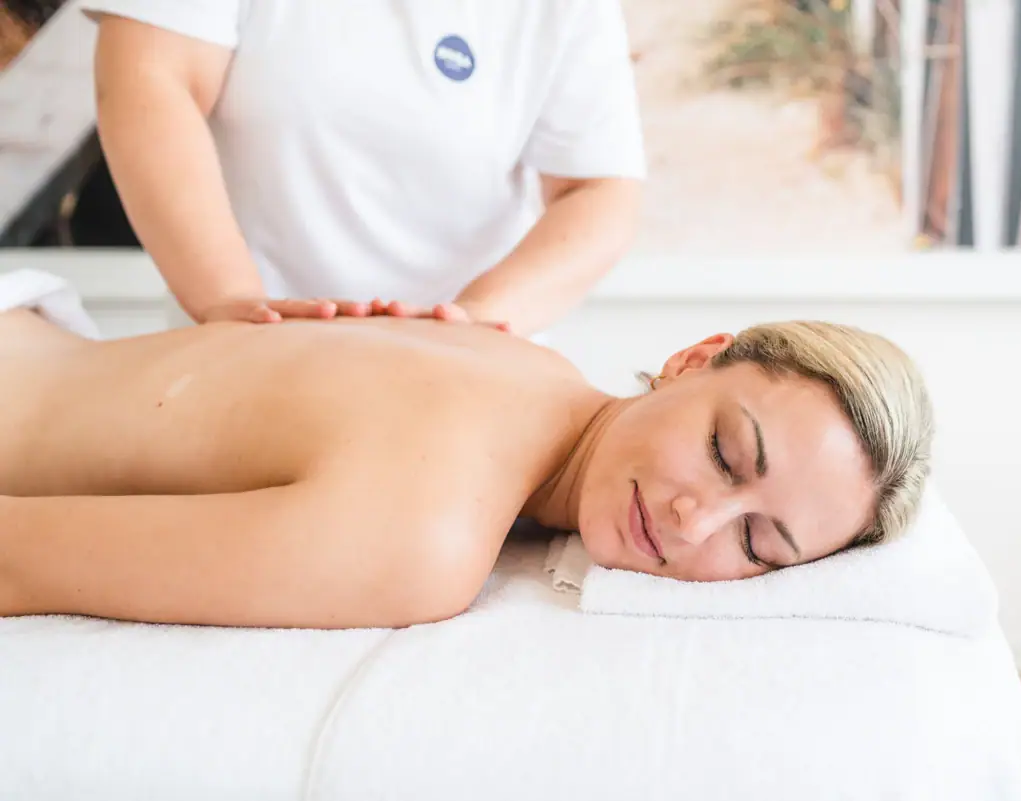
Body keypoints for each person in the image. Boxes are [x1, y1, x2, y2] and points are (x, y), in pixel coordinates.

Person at [0, 301, 934, 630]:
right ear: (694, 357)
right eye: (727, 454)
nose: (695, 520)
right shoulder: (428, 540)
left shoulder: (514, 353)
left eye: (759, 544)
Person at [80, 0, 646, 336]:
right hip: (238, 370)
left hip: (461, 387)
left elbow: (598, 188)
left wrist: (475, 322)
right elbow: (149, 79)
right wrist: (233, 308)